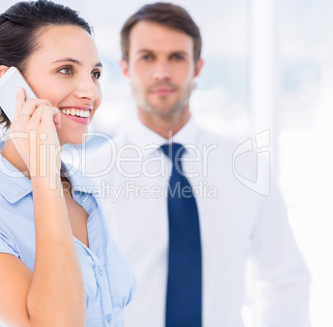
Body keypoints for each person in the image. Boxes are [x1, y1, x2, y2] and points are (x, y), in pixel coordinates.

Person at [85, 2, 310, 327]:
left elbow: (284, 277)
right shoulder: (90, 177)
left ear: (198, 67)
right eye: (147, 57)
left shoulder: (246, 167)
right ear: (125, 68)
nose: (162, 72)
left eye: (176, 57)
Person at [0, 1, 135, 326]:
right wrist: (44, 175)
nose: (90, 92)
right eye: (66, 70)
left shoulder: (83, 189)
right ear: (11, 84)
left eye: (95, 74)